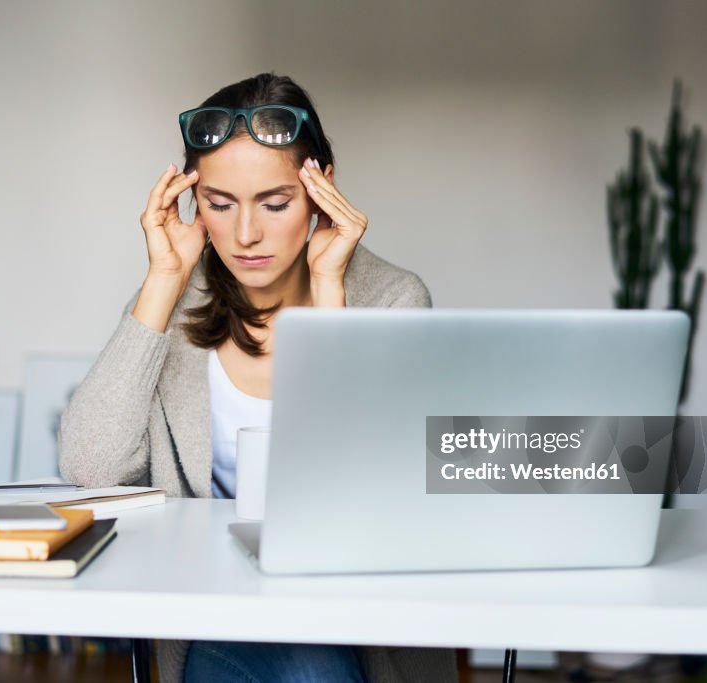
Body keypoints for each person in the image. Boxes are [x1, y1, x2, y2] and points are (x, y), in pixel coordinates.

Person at [58, 72, 456, 683]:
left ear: (320, 191)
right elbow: (90, 466)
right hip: (213, 615)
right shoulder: (174, 300)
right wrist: (163, 278)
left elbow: (370, 492)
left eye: (274, 204)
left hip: (350, 615)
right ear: (194, 204)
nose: (245, 236)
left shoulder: (393, 300)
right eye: (220, 204)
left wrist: (329, 294)